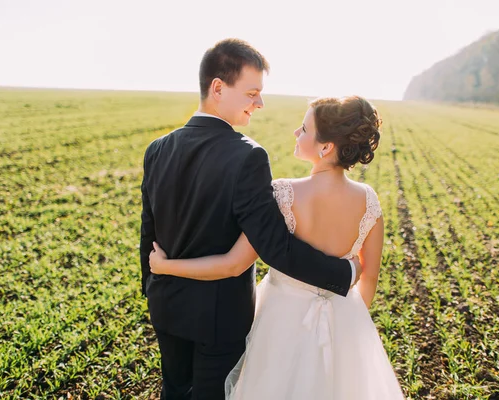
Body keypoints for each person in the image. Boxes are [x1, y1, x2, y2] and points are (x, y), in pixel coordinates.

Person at [139, 38, 361, 400]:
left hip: (165, 305)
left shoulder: (158, 148)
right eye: (252, 93)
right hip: (219, 319)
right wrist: (343, 273)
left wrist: (151, 284)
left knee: (174, 391)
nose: (260, 103)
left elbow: (148, 232)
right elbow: (274, 246)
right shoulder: (248, 156)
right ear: (218, 88)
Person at [150, 96, 405, 399]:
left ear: (326, 148)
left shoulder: (284, 194)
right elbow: (369, 280)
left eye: (304, 129)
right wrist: (344, 326)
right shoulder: (369, 200)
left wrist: (166, 266)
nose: (296, 134)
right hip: (342, 325)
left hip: (279, 326)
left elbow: (234, 263)